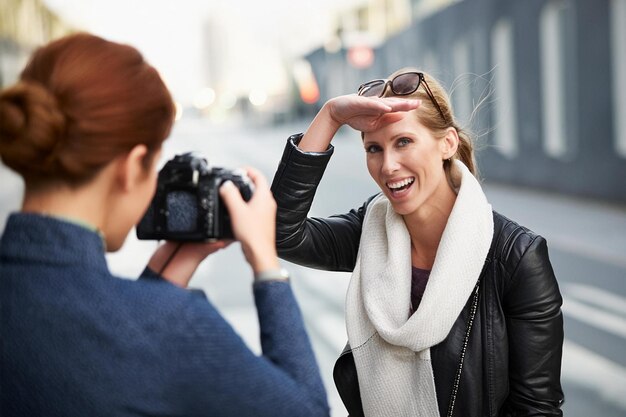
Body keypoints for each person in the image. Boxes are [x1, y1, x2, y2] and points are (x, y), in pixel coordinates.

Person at [0, 33, 329, 417]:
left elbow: (86, 357)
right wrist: (266, 266)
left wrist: (162, 282)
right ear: (130, 166)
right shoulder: (169, 325)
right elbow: (306, 410)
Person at [270, 68, 564, 417]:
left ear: (447, 143)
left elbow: (536, 408)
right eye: (374, 149)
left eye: (404, 142)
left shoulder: (516, 258)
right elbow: (278, 233)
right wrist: (330, 115)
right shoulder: (371, 230)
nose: (388, 166)